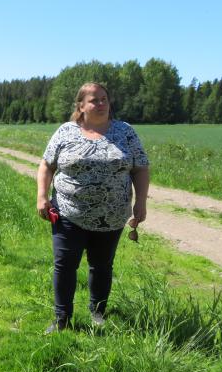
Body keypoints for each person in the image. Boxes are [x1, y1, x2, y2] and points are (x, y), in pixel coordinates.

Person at [36, 82, 149, 333]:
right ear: (81, 106)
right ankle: (62, 319)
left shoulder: (125, 132)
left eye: (104, 99)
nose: (101, 104)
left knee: (102, 266)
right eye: (94, 100)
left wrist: (140, 201)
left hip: (112, 215)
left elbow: (140, 168)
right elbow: (46, 165)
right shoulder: (66, 132)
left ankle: (98, 313)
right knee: (65, 265)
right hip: (68, 211)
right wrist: (42, 196)